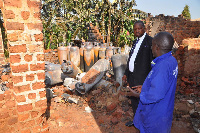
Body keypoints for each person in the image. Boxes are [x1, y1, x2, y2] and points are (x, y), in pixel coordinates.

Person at [129, 32, 178, 133]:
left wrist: (138, 95)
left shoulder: (162, 67)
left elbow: (156, 94)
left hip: (155, 114)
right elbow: (163, 85)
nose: (151, 48)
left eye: (152, 45)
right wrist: (145, 87)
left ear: (156, 47)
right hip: (165, 109)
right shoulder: (171, 60)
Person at [122, 20, 153, 127]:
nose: (137, 31)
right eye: (135, 29)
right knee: (134, 100)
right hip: (132, 77)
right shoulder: (135, 42)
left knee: (143, 101)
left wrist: (148, 81)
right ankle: (136, 121)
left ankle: (144, 125)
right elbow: (131, 59)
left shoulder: (150, 42)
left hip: (142, 79)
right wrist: (126, 73)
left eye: (139, 28)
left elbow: (152, 63)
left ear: (144, 29)